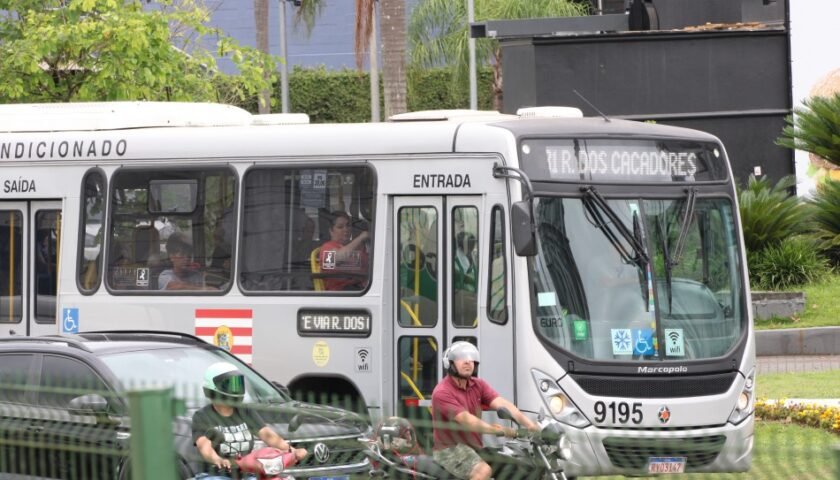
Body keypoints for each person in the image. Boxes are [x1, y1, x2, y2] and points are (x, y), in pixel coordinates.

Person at [431, 342, 538, 480]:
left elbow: (503, 404)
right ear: (449, 363)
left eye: (471, 358)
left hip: (474, 447)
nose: (468, 362)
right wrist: (499, 430)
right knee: (483, 472)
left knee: (517, 467)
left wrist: (530, 425)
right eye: (461, 358)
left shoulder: (478, 385)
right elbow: (468, 421)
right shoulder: (442, 392)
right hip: (450, 450)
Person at [192, 363, 308, 477]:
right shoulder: (202, 416)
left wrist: (293, 451)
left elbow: (268, 435)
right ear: (212, 388)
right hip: (216, 474)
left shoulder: (245, 411)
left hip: (246, 473)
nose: (236, 389)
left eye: (238, 384)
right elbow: (204, 446)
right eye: (230, 385)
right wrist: (218, 459)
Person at [319, 211, 370, 291]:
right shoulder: (326, 248)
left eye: (348, 226)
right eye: (340, 227)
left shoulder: (353, 246)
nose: (346, 229)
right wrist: (361, 238)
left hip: (361, 287)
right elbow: (339, 257)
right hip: (341, 292)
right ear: (331, 231)